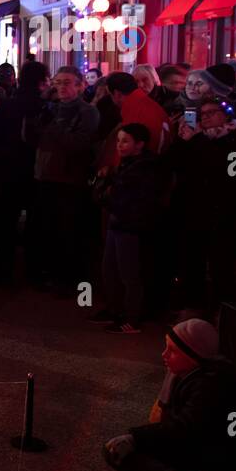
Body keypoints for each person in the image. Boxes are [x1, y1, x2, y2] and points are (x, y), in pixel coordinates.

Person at [104, 319, 236, 471]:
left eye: (172, 351)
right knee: (120, 448)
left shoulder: (208, 386)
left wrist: (136, 437)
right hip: (215, 451)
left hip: (214, 459)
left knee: (116, 450)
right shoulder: (199, 376)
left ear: (193, 355)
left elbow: (184, 426)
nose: (164, 355)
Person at [169, 95, 236, 315]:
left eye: (212, 113)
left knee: (221, 268)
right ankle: (193, 310)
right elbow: (174, 165)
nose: (206, 118)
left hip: (223, 216)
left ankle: (224, 316)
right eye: (202, 114)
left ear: (226, 115)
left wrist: (197, 141)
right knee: (191, 264)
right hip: (194, 213)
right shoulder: (196, 139)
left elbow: (231, 173)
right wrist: (181, 141)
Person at [26, 67, 99, 292]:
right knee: (46, 228)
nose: (61, 87)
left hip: (69, 179)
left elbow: (79, 145)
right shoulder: (49, 108)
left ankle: (68, 278)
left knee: (69, 231)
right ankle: (46, 273)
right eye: (57, 82)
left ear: (80, 85)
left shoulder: (88, 112)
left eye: (67, 82)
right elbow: (31, 139)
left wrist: (55, 125)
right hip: (45, 175)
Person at [91, 124, 168, 334]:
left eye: (125, 141)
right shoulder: (126, 164)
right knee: (110, 269)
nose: (119, 146)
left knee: (129, 273)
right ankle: (115, 309)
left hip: (131, 226)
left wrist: (108, 189)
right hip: (117, 223)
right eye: (118, 141)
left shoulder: (147, 167)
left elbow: (126, 197)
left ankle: (132, 318)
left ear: (139, 144)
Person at [0, 60, 48, 284]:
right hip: (36, 171)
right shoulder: (44, 106)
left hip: (8, 170)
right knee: (36, 223)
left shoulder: (7, 105)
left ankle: (4, 270)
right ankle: (34, 270)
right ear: (42, 82)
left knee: (6, 222)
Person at [101, 71, 169, 166]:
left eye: (110, 95)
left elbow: (126, 150)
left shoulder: (134, 111)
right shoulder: (146, 103)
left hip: (145, 170)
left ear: (117, 94)